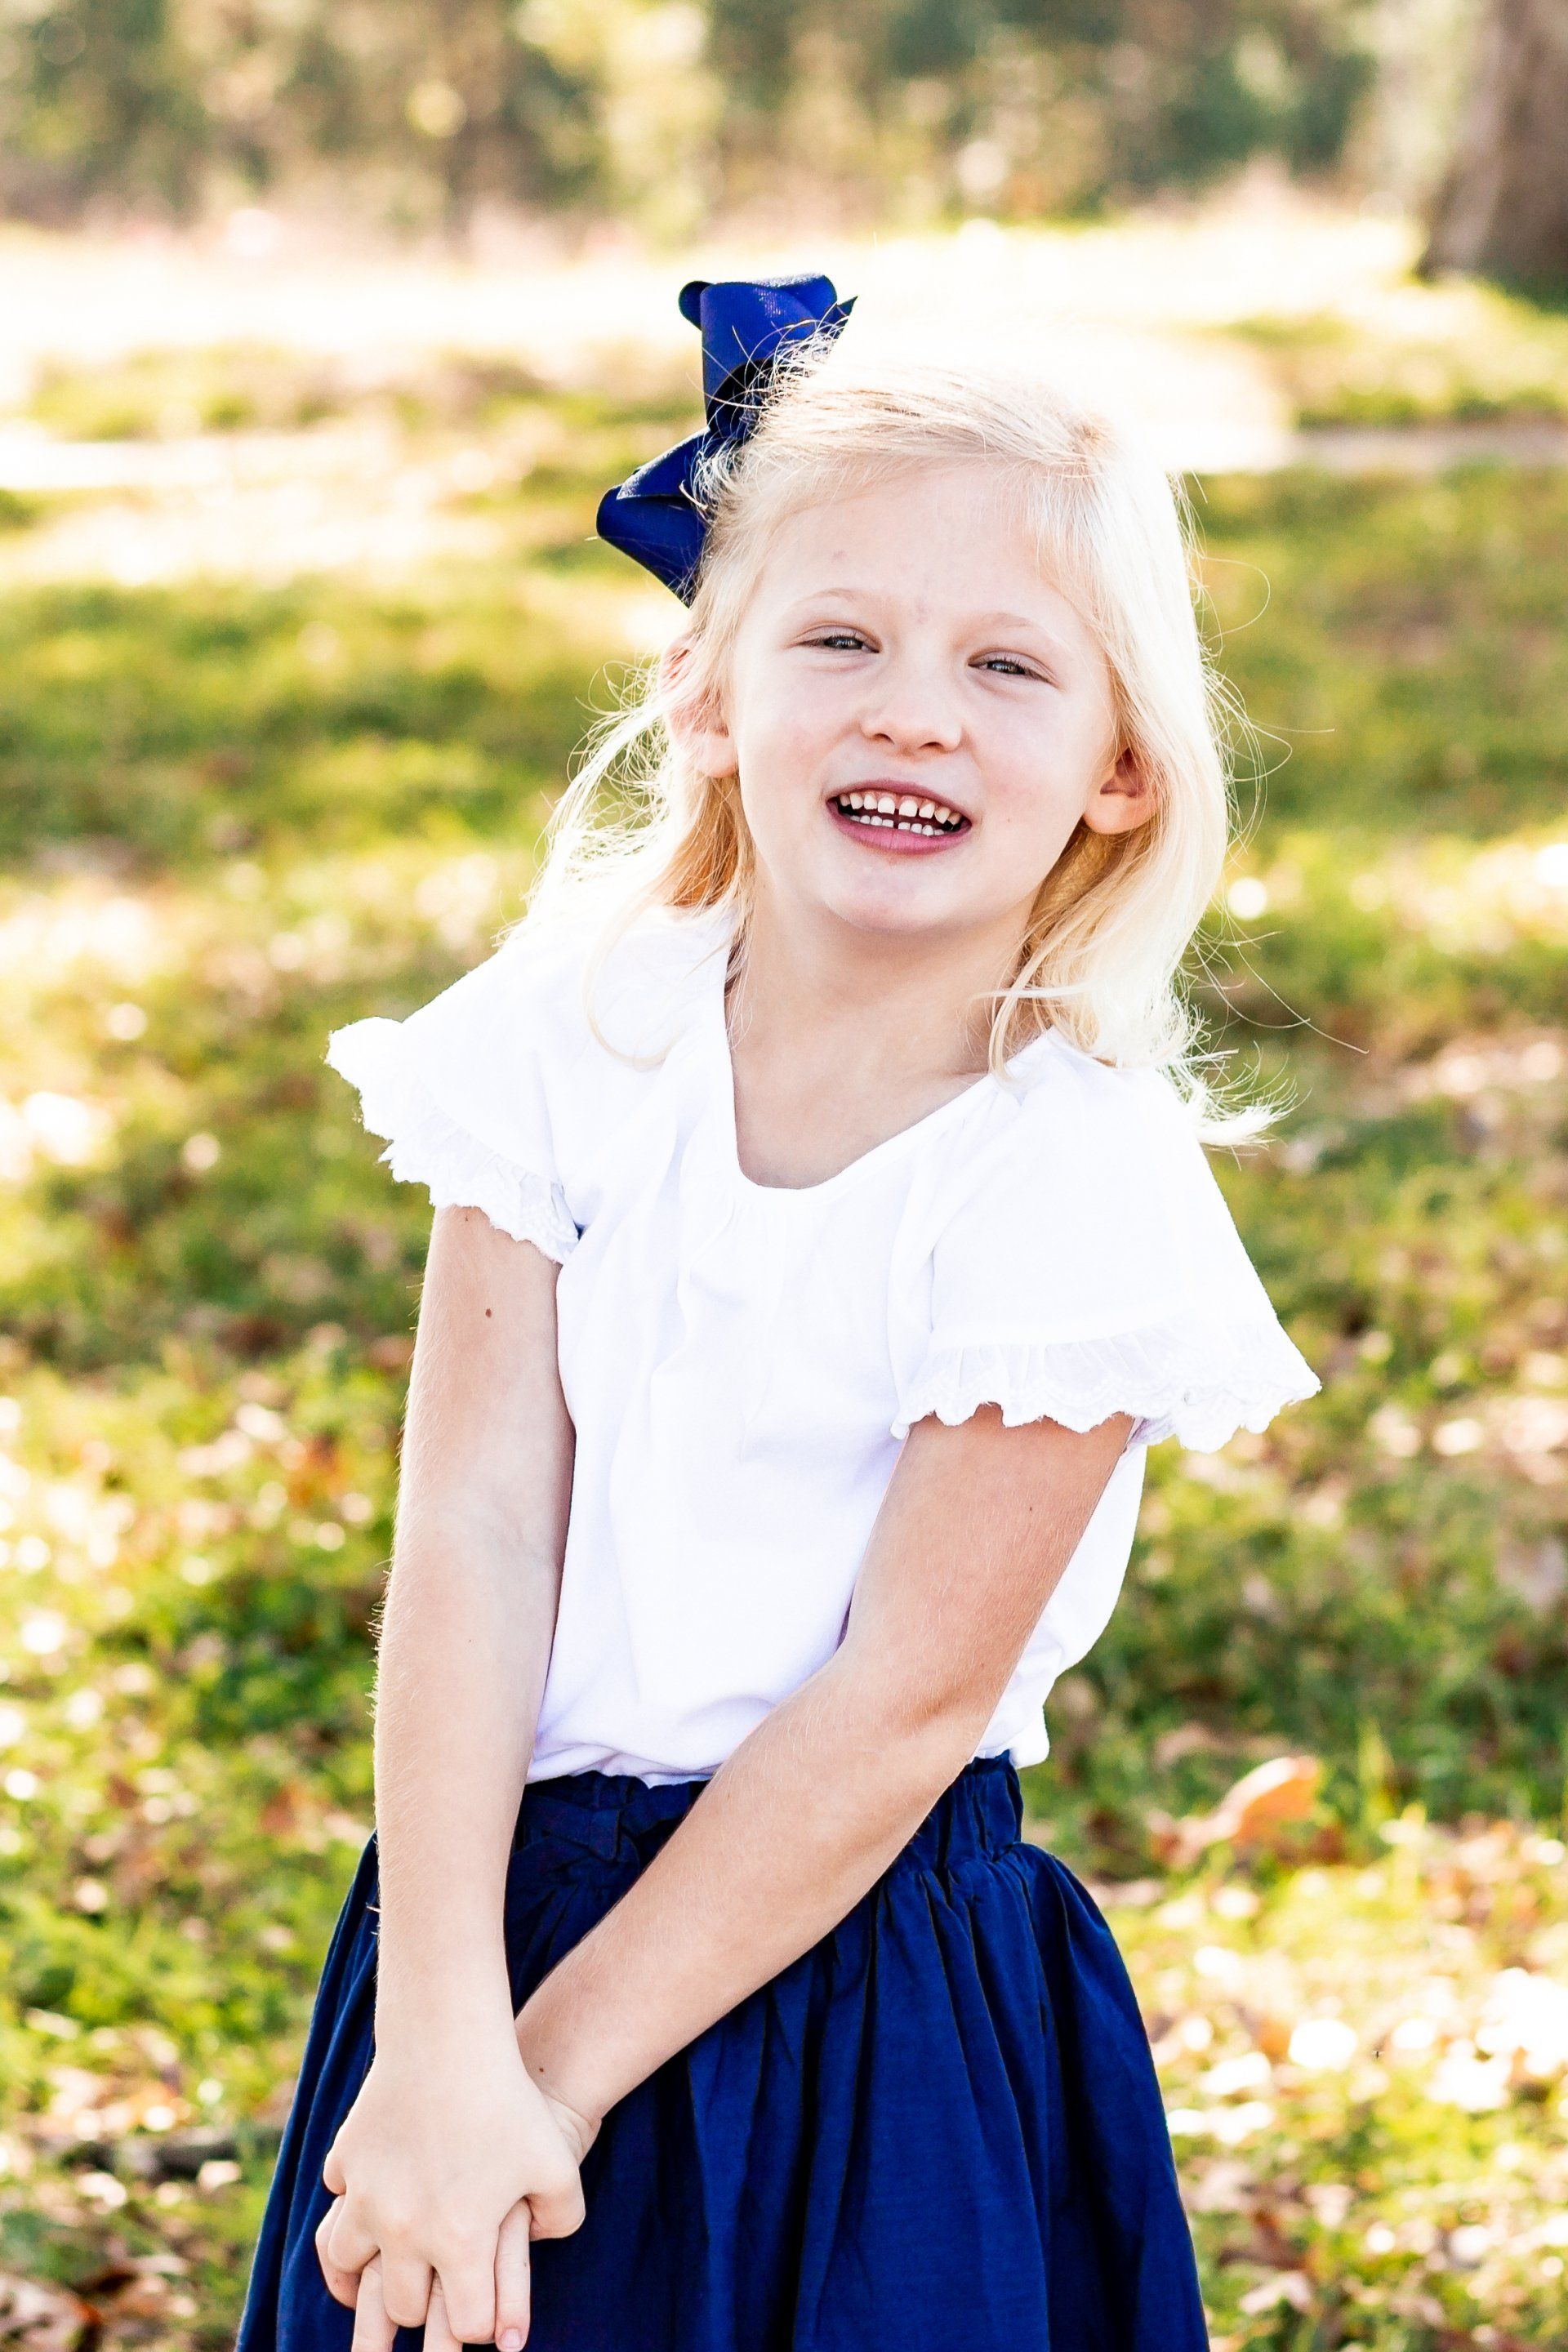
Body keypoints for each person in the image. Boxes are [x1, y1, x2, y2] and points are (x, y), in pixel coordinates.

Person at [234, 273, 1321, 2352]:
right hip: (484, 1913)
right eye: (840, 639)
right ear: (708, 697)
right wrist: (448, 2043)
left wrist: (539, 2097)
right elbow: (471, 1525)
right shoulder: (573, 1041)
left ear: (1117, 773)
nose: (914, 710)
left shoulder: (1064, 1178)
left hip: (851, 1972)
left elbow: (901, 1704)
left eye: (1008, 665)